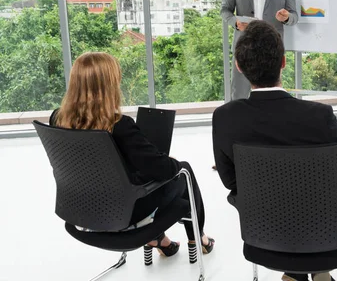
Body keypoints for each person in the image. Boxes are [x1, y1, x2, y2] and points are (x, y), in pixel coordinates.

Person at [212, 21, 337, 281]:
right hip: (328, 238)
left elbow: (231, 182)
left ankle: (294, 274)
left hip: (265, 238)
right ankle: (318, 271)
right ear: (283, 62)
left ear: (238, 66)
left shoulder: (225, 118)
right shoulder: (319, 115)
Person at [50, 52, 215, 260]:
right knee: (184, 170)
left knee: (138, 171)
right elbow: (163, 170)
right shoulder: (119, 125)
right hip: (124, 213)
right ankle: (198, 238)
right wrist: (168, 160)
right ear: (108, 86)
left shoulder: (57, 119)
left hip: (82, 209)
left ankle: (159, 240)